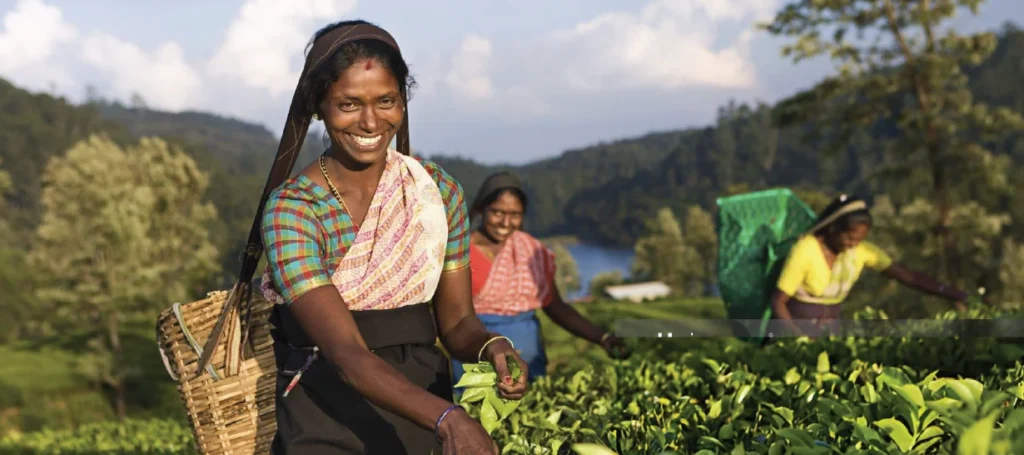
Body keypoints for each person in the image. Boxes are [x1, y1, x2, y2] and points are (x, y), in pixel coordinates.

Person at [258, 20, 528, 454]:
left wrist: (493, 347)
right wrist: (448, 418)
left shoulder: (436, 193)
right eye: (348, 104)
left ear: (403, 102)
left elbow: (457, 323)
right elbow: (345, 353)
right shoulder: (295, 209)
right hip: (326, 417)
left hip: (422, 414)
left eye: (387, 101)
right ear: (319, 107)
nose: (370, 121)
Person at [450, 172, 631, 387]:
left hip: (528, 355)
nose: (505, 222)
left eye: (515, 214)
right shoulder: (460, 252)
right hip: (477, 354)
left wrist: (601, 337)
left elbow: (555, 306)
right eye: (497, 212)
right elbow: (449, 314)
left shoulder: (531, 251)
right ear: (481, 209)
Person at [770, 194, 970, 337]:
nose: (852, 244)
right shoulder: (806, 249)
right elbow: (779, 301)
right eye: (849, 237)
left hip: (828, 336)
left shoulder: (860, 252)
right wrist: (797, 339)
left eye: (858, 240)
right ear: (832, 228)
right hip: (794, 334)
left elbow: (907, 277)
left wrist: (953, 294)